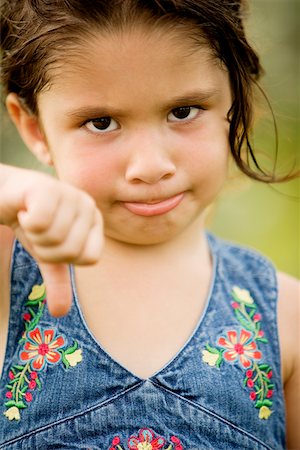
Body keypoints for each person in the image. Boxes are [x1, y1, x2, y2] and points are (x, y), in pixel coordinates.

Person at [0, 0, 299, 448]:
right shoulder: (7, 278)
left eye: (183, 111)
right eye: (101, 122)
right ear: (36, 130)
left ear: (236, 104)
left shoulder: (283, 314)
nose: (150, 166)